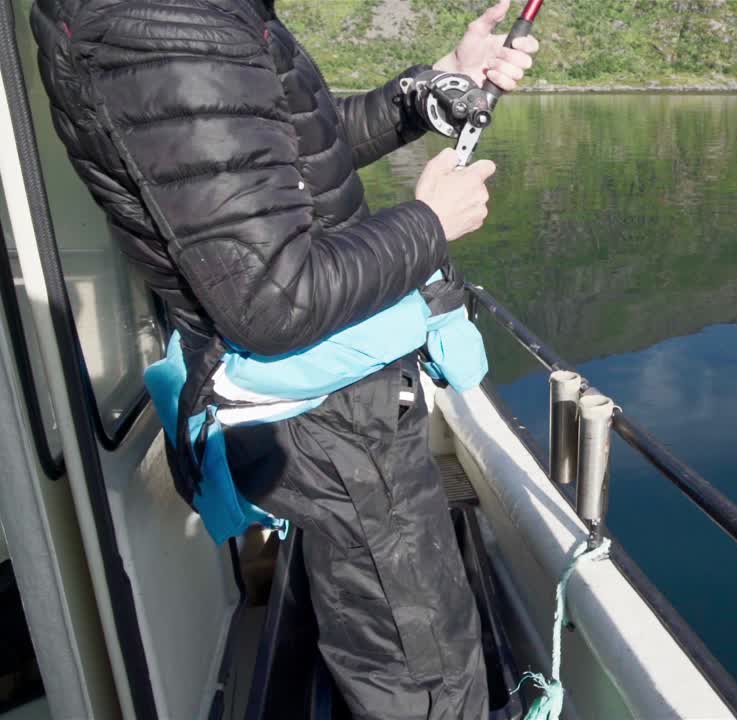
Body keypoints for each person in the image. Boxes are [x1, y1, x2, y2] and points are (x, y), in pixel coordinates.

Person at [29, 0, 538, 717]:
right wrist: (428, 224)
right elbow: (273, 301)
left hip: (334, 416)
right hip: (338, 426)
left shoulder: (195, 22)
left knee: (395, 639)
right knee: (422, 674)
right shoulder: (167, 28)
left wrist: (430, 89)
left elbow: (276, 146)